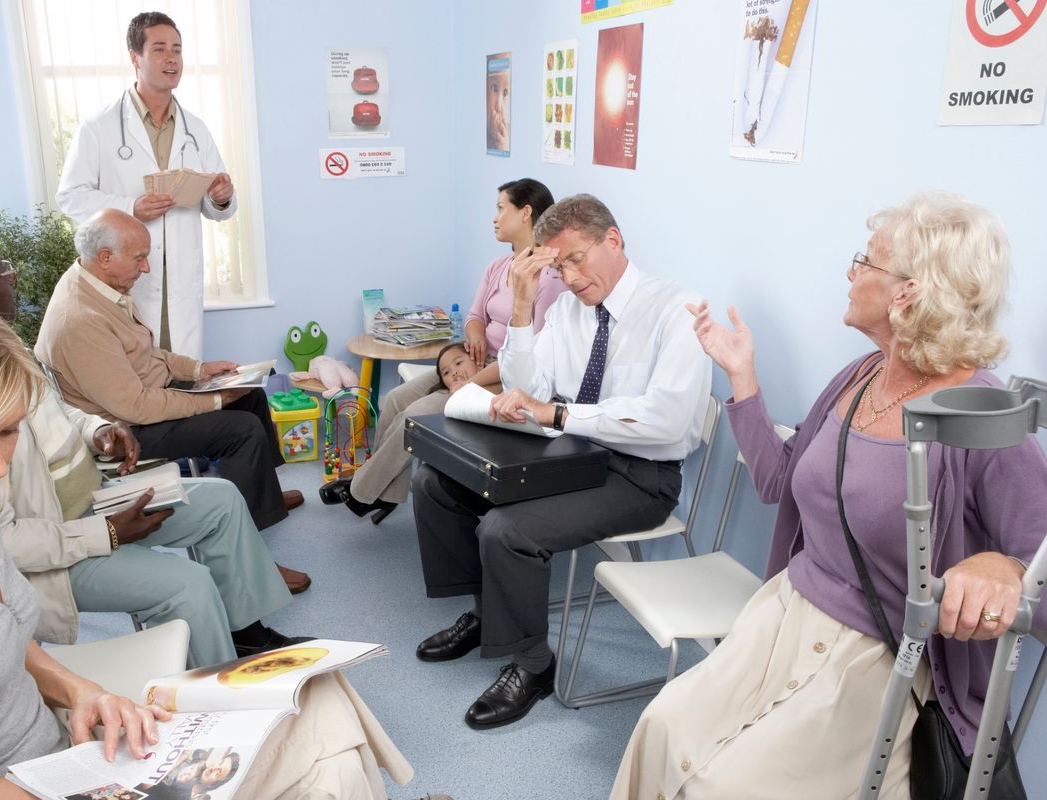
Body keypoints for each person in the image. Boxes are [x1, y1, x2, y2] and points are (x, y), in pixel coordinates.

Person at [0, 291, 422, 800]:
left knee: (316, 693)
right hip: (27, 784)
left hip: (67, 752)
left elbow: (4, 639)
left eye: (6, 432)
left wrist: (83, 691)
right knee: (326, 763)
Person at [610, 191, 1047, 799]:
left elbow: (1038, 583)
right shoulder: (862, 376)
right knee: (660, 729)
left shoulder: (981, 421)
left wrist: (1001, 566)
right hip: (783, 615)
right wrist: (743, 378)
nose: (850, 271)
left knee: (725, 789)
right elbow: (778, 483)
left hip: (879, 660)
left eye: (865, 261)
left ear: (908, 293)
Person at [0, 232, 310, 667]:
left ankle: (246, 639)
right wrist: (108, 533)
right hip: (58, 544)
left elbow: (59, 412)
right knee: (188, 583)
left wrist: (98, 430)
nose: (13, 281)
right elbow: (3, 543)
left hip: (93, 496)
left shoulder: (2, 346)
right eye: (5, 273)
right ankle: (220, 688)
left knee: (222, 501)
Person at [412, 193, 712, 729]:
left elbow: (665, 421)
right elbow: (528, 387)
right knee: (437, 481)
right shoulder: (570, 309)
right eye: (558, 266)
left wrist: (559, 415)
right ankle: (487, 613)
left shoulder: (676, 310)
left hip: (640, 476)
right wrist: (524, 308)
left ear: (613, 241)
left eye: (577, 260)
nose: (569, 278)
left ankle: (533, 665)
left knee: (506, 529)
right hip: (568, 454)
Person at [35, 209, 301, 532]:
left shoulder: (101, 285)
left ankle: (262, 493)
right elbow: (136, 407)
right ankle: (253, 531)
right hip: (131, 429)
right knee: (241, 429)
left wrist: (201, 370)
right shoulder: (80, 319)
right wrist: (216, 400)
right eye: (139, 258)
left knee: (253, 398)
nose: (146, 268)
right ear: (105, 257)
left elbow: (148, 351)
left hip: (150, 396)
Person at [320, 178, 565, 519]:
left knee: (415, 414)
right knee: (394, 399)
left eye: (500, 209)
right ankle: (386, 491)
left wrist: (472, 382)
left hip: (506, 375)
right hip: (473, 357)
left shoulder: (549, 279)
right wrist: (476, 334)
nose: (493, 218)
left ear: (525, 213)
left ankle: (362, 491)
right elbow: (475, 315)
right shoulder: (498, 267)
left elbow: (532, 355)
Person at [56, 11, 235, 359]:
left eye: (177, 50)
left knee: (182, 373)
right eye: (159, 49)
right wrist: (129, 208)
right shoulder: (99, 127)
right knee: (134, 374)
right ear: (134, 57)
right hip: (126, 271)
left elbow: (219, 205)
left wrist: (221, 197)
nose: (171, 58)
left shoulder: (195, 129)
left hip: (180, 274)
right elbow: (70, 197)